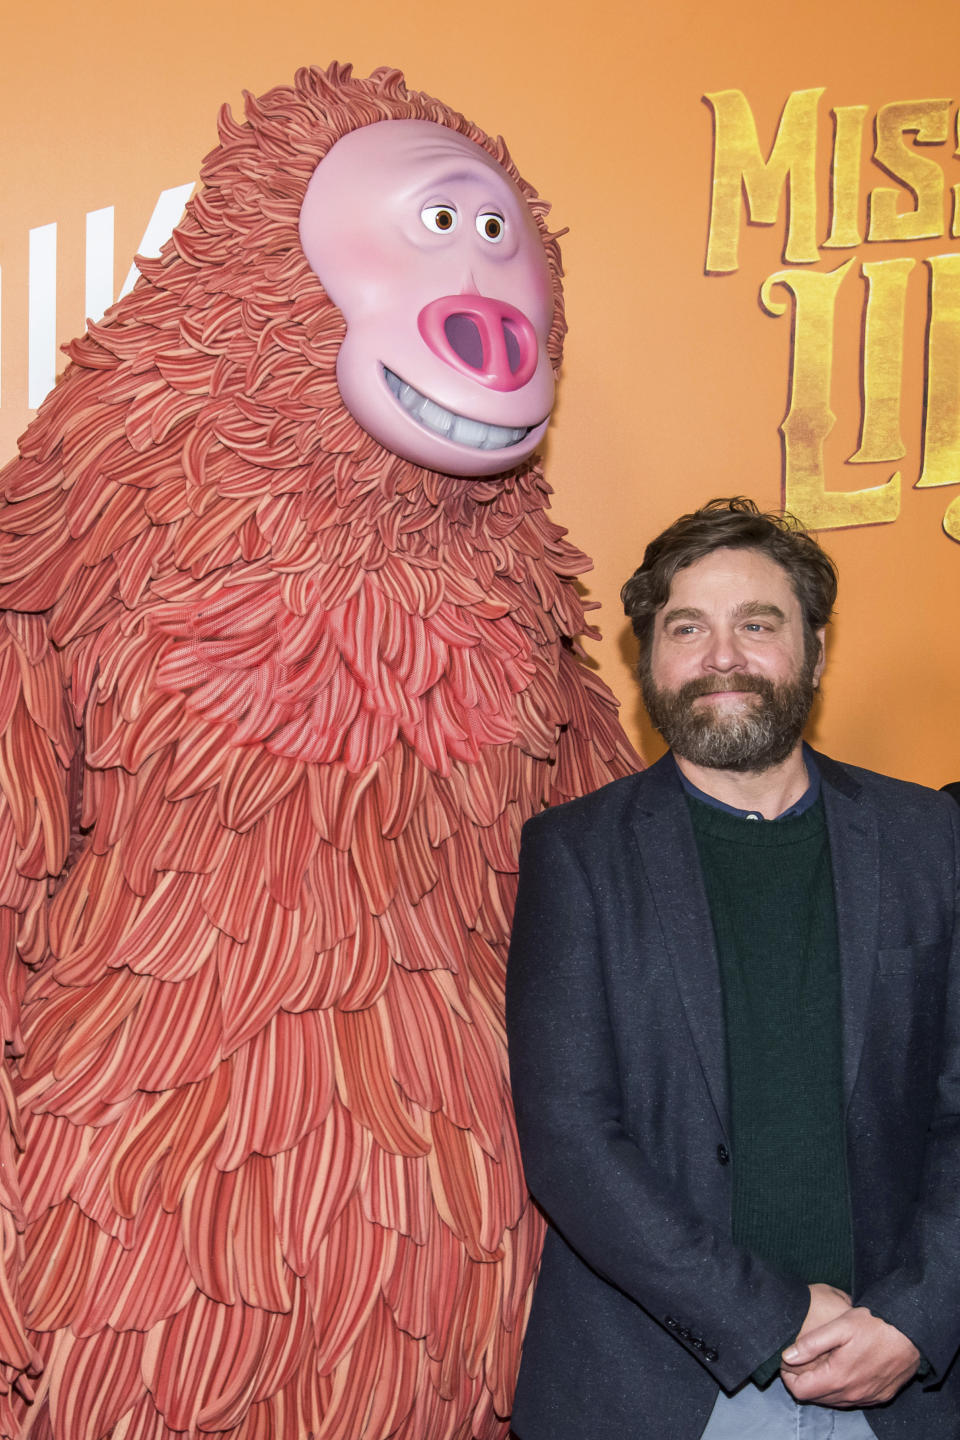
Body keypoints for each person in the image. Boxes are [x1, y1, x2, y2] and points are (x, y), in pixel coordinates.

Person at [505, 497, 960, 1440]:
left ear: (817, 652)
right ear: (647, 661)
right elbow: (573, 1139)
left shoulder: (932, 839)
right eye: (687, 628)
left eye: (758, 624)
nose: (722, 657)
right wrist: (775, 1316)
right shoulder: (575, 855)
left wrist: (921, 1316)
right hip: (661, 1386)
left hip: (902, 1379)